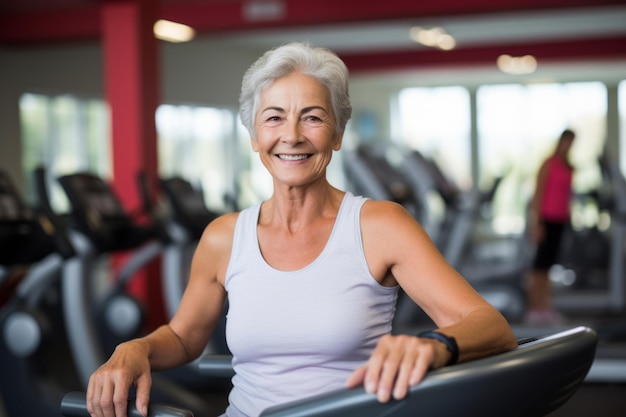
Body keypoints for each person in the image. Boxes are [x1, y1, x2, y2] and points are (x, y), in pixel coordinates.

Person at [86, 42, 517, 417]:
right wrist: (134, 348)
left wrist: (434, 345)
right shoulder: (223, 237)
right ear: (255, 135)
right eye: (273, 118)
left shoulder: (380, 226)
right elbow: (183, 336)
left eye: (311, 117)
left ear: (337, 133)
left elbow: (490, 326)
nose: (291, 136)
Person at [525, 129, 576, 326]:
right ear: (561, 142)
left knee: (548, 267)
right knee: (539, 266)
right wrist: (536, 224)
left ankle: (545, 307)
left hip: (560, 221)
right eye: (567, 141)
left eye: (571, 143)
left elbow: (567, 195)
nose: (568, 146)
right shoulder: (549, 164)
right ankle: (534, 308)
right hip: (546, 220)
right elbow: (538, 195)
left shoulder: (569, 167)